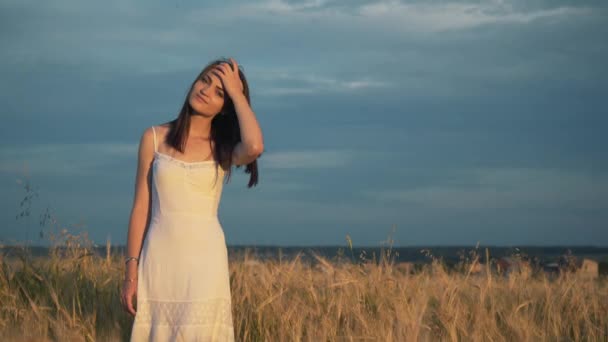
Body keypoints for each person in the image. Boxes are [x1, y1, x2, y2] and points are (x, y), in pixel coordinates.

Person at [121, 57, 264, 341]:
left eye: (219, 92)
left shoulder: (223, 149)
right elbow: (141, 207)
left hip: (205, 265)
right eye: (205, 81)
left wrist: (237, 94)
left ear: (226, 107)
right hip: (159, 261)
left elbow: (255, 146)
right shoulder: (153, 137)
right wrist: (131, 272)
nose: (206, 91)